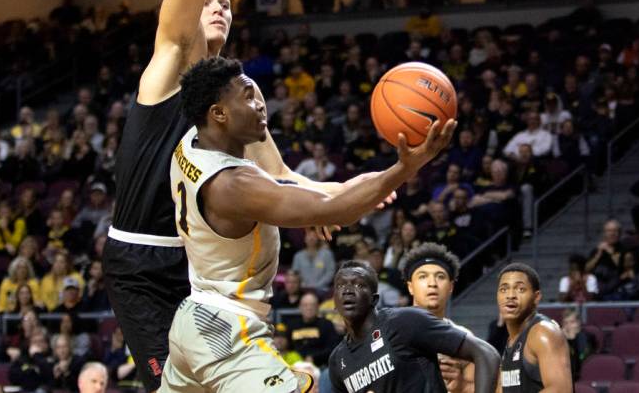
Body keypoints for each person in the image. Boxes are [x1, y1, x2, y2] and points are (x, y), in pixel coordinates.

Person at [102, 0, 296, 393]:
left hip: (201, 267)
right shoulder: (166, 65)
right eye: (211, 1)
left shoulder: (236, 98)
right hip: (140, 265)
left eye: (228, 5)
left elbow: (281, 176)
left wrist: (360, 192)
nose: (220, 6)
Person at [159, 56, 456, 392]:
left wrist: (349, 190)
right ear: (219, 113)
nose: (260, 104)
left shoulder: (192, 142)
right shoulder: (232, 185)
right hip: (226, 330)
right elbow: (334, 209)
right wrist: (405, 168)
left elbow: (287, 183)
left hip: (193, 315)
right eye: (247, 97)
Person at [328, 260, 499, 393]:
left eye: (358, 285)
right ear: (334, 301)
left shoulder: (404, 322)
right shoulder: (337, 360)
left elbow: (486, 354)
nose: (348, 291)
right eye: (341, 286)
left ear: (374, 299)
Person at [405, 242, 476, 393]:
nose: (432, 284)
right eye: (423, 277)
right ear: (410, 287)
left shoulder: (464, 337)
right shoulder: (389, 332)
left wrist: (463, 387)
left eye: (440, 277)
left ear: (450, 287)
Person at [495, 262, 572, 393]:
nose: (510, 295)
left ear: (536, 297)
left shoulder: (543, 332)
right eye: (504, 289)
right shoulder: (511, 341)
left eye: (520, 289)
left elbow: (561, 390)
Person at [285, 292, 340, 368]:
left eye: (312, 305)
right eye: (305, 305)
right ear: (300, 307)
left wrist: (314, 358)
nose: (309, 308)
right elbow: (287, 348)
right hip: (295, 365)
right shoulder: (292, 325)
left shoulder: (326, 324)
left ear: (318, 307)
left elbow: (333, 348)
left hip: (321, 365)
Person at [291, 228, 336, 296]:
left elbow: (330, 273)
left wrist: (317, 286)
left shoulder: (327, 254)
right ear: (304, 238)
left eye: (314, 236)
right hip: (303, 289)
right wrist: (304, 286)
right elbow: (295, 274)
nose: (311, 238)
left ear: (318, 238)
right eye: (309, 235)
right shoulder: (298, 256)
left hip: (322, 289)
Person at [561, 309, 596, 382]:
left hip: (583, 375)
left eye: (572, 322)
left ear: (578, 323)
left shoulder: (588, 338)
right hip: (563, 376)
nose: (568, 326)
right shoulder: (558, 339)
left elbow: (580, 363)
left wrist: (571, 341)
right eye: (566, 323)